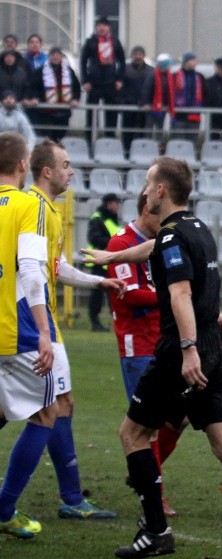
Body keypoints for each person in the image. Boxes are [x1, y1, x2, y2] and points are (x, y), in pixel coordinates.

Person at [113, 157, 222, 559]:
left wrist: (187, 348)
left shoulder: (172, 236)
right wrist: (109, 260)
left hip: (184, 348)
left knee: (133, 434)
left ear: (160, 191)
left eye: (147, 182)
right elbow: (157, 248)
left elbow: (181, 294)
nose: (143, 190)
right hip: (218, 345)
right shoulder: (197, 227)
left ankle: (155, 531)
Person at [27, 139, 123, 521]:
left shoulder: (49, 209)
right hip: (37, 322)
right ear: (46, 170)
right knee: (56, 406)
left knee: (49, 405)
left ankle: (70, 495)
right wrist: (44, 329)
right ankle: (69, 497)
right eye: (65, 164)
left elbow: (55, 268)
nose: (71, 171)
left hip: (35, 321)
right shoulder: (37, 209)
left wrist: (97, 283)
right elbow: (36, 272)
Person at [108, 189, 183, 517]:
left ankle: (142, 471)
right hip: (137, 345)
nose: (164, 223)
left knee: (180, 417)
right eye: (159, 216)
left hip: (167, 342)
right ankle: (156, 496)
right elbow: (129, 294)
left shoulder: (163, 244)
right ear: (145, 210)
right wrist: (170, 295)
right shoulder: (121, 244)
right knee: (147, 427)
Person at [0, 132, 57, 539]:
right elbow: (31, 269)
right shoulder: (27, 203)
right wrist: (42, 331)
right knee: (46, 412)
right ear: (23, 166)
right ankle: (5, 508)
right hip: (13, 330)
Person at [79, 16, 125, 137]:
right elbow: (83, 61)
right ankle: (90, 141)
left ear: (108, 28)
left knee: (111, 114)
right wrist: (85, 81)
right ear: (96, 27)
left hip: (110, 83)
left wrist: (119, 79)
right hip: (94, 83)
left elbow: (122, 62)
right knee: (91, 115)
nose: (101, 28)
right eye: (99, 25)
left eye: (104, 25)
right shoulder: (90, 41)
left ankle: (109, 140)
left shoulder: (115, 41)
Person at [29, 47, 81, 142]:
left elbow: (76, 87)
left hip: (64, 112)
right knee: (47, 140)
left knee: (60, 139)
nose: (55, 57)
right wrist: (35, 98)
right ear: (49, 57)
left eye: (58, 55)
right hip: (46, 113)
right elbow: (33, 87)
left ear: (62, 57)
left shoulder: (69, 71)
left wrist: (75, 99)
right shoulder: (40, 71)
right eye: (53, 55)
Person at [86, 193, 122, 331]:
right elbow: (94, 239)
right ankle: (95, 322)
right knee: (97, 295)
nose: (117, 206)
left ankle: (114, 320)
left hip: (111, 260)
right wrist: (114, 243)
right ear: (108, 204)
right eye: (115, 203)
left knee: (112, 293)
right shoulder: (98, 218)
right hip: (99, 261)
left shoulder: (112, 219)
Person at [121, 45, 153, 152]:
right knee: (127, 133)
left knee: (143, 132)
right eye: (135, 54)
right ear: (132, 56)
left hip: (145, 107)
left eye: (140, 54)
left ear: (144, 56)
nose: (138, 57)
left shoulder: (150, 71)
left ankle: (141, 153)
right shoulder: (125, 69)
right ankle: (127, 152)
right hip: (128, 106)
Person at [172, 52, 204, 142]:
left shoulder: (199, 77)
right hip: (179, 115)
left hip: (194, 115)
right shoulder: (175, 76)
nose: (195, 63)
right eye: (193, 60)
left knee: (192, 142)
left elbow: (204, 93)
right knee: (178, 141)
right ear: (186, 62)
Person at [142, 53, 173, 143]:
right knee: (149, 129)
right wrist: (147, 103)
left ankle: (158, 147)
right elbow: (147, 90)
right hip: (152, 107)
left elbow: (169, 93)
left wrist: (167, 104)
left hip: (162, 108)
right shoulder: (152, 76)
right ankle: (147, 147)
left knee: (160, 129)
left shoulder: (168, 76)